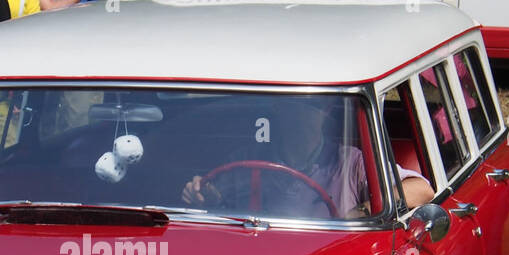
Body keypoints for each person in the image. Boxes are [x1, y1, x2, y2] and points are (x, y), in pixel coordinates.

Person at [181, 100, 433, 218]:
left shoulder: (351, 162)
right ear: (278, 109)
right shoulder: (249, 158)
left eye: (313, 105)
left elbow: (421, 190)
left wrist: (360, 211)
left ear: (325, 113)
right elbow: (219, 203)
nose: (300, 115)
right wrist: (205, 196)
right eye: (291, 104)